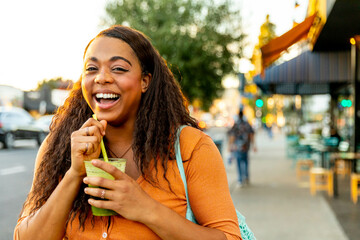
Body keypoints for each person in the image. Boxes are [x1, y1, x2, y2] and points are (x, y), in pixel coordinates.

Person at [14, 25, 241, 240]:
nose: (102, 77)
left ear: (145, 81)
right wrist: (74, 174)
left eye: (118, 68)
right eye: (91, 69)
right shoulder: (59, 146)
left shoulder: (190, 147)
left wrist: (145, 208)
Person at [228, 110, 256, 186]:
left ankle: (240, 179)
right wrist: (254, 145)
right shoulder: (247, 124)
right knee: (246, 161)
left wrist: (230, 146)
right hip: (246, 146)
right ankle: (246, 177)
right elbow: (251, 135)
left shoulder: (236, 125)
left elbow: (232, 136)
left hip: (238, 147)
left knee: (239, 162)